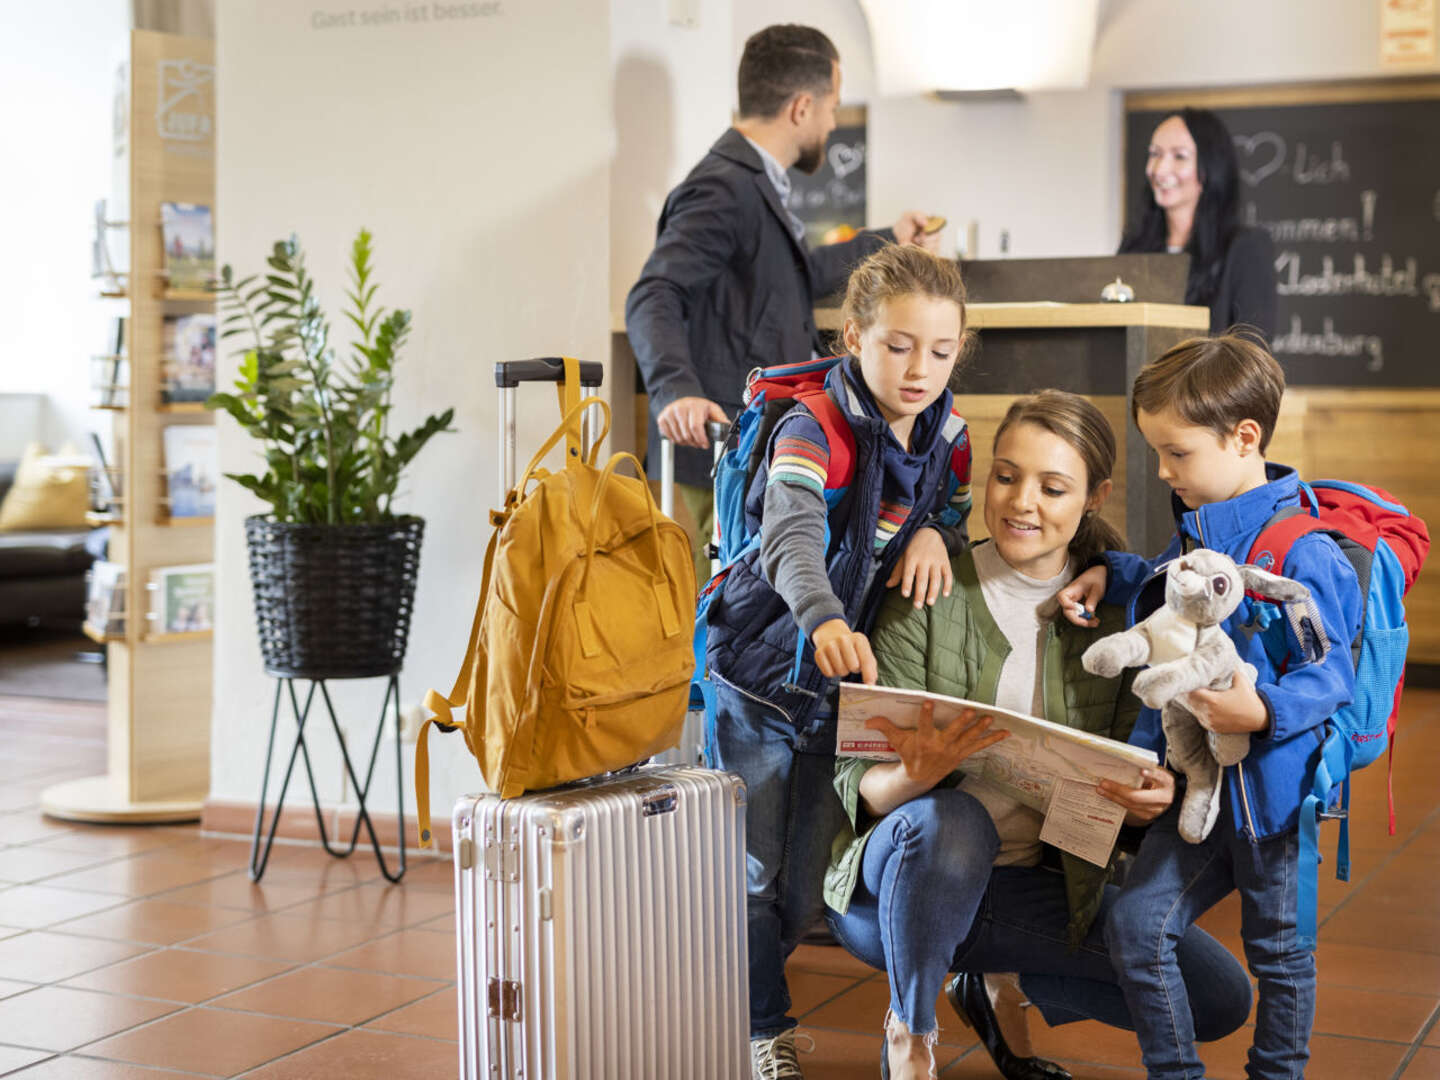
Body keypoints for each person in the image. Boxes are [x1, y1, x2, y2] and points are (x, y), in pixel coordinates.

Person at [825, 391, 1253, 1080]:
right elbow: (858, 791)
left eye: (1052, 487)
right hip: (895, 894)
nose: (1022, 502)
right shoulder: (927, 588)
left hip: (1026, 892)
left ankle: (999, 983)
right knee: (953, 818)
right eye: (1006, 475)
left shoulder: (1122, 621)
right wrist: (916, 773)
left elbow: (1121, 795)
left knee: (1218, 998)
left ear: (1094, 497)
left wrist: (1145, 805)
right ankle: (910, 1029)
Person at [1058, 334, 1364, 1078]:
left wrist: (1262, 714)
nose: (1162, 470)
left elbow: (1332, 673)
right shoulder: (1199, 528)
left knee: (1280, 956)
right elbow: (1175, 591)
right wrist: (1110, 572)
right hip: (1200, 799)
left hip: (1274, 804)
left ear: (1244, 437)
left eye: (1176, 452)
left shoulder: (1303, 551)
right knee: (1136, 923)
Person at [704, 244, 975, 1078]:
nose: (918, 368)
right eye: (897, 345)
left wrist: (936, 531)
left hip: (842, 688)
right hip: (755, 676)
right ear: (854, 336)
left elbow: (955, 510)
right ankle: (760, 1031)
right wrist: (819, 614)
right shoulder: (810, 425)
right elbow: (790, 534)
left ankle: (746, 993)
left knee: (805, 889)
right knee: (753, 875)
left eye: (939, 350)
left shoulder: (950, 436)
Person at [625, 23, 941, 581]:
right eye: (832, 106)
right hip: (714, 458)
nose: (833, 121)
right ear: (801, 107)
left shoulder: (755, 183)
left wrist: (887, 238)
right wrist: (676, 391)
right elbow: (654, 292)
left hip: (744, 453)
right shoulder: (723, 187)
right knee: (703, 627)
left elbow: (793, 275)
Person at [1119, 107, 1277, 338]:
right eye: (1155, 154)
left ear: (1210, 167)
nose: (1160, 170)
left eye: (1179, 156)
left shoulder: (1246, 248)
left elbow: (1253, 348)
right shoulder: (1133, 248)